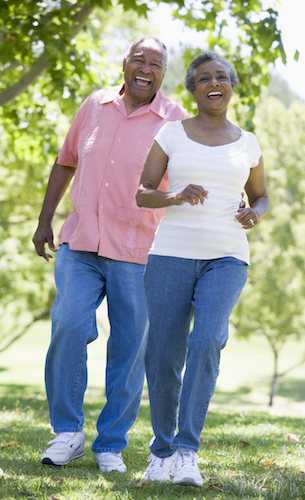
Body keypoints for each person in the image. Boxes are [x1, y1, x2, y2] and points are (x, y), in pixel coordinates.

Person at [32, 36, 189, 472]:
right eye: (139, 59)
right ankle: (67, 432)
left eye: (156, 63)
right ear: (124, 63)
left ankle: (110, 444)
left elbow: (184, 186)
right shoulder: (95, 105)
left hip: (139, 251)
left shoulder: (175, 120)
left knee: (130, 348)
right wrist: (44, 220)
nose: (146, 68)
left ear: (163, 73)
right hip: (80, 241)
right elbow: (66, 162)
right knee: (67, 324)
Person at [136, 51, 269, 487]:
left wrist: (256, 214)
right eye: (205, 78)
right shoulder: (171, 134)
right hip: (171, 252)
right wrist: (175, 196)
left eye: (223, 77)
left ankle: (187, 450)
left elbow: (261, 195)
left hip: (228, 255)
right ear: (192, 89)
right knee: (162, 355)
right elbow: (142, 193)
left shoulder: (247, 141)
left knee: (209, 338)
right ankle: (162, 453)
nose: (215, 83)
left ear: (231, 86)